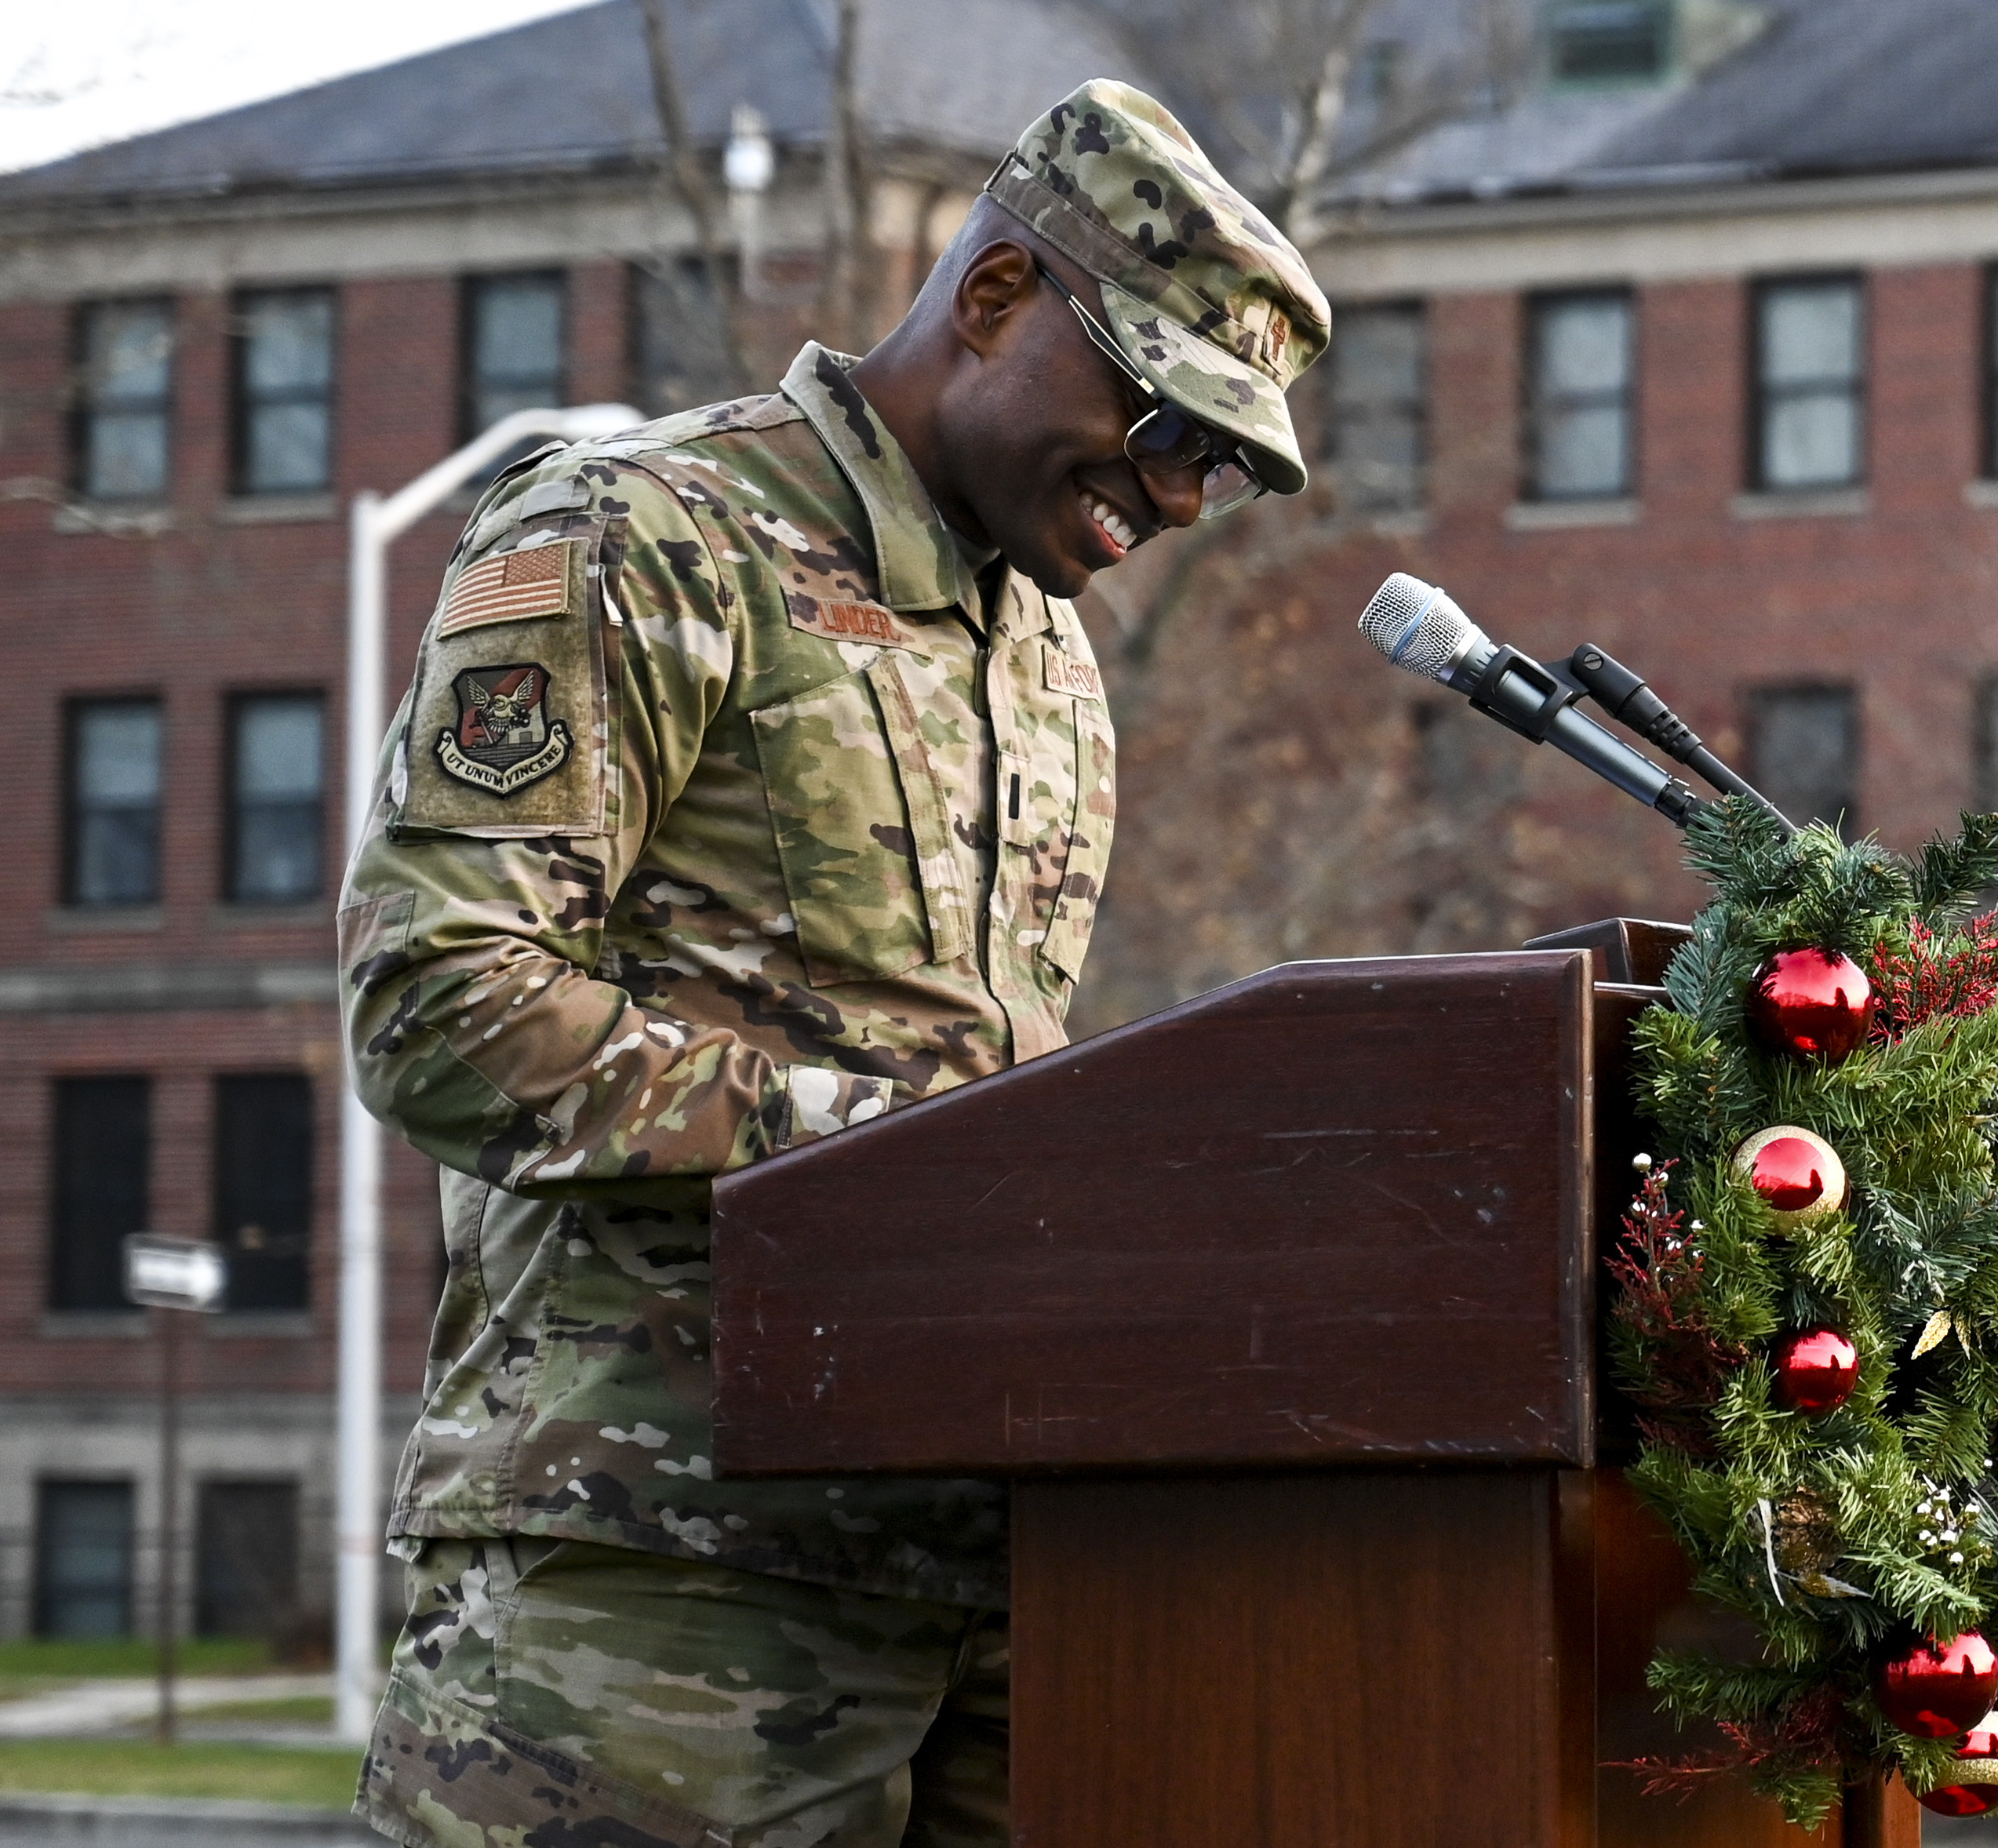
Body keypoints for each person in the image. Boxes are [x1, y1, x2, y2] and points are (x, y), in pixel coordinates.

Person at [338, 79, 1330, 1848]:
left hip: (995, 1577)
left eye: (1226, 463)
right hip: (657, 1588)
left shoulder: (1045, 658)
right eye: (1162, 417)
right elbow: (438, 1001)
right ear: (999, 295)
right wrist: (890, 1146)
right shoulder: (641, 535)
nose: (1180, 494)